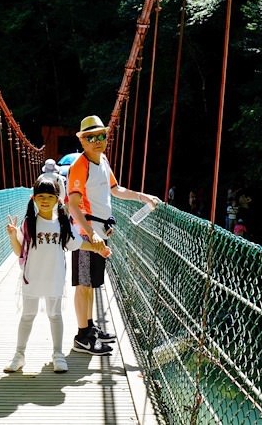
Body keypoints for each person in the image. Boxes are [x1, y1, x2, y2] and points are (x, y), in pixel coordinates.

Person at [67, 115, 161, 355]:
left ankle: (89, 328)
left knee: (92, 284)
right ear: (83, 141)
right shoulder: (80, 165)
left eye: (101, 136)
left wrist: (143, 196)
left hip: (100, 232)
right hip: (88, 235)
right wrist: (90, 234)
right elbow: (73, 205)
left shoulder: (103, 160)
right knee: (84, 284)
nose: (97, 140)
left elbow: (115, 189)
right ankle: (82, 336)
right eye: (91, 137)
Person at [4, 177, 112, 373]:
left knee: (55, 315)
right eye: (41, 197)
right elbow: (20, 251)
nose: (45, 200)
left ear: (57, 200)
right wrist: (13, 236)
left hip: (54, 278)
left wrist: (98, 250)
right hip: (32, 278)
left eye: (50, 197)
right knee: (28, 315)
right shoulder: (29, 224)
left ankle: (58, 355)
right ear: (34, 199)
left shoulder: (63, 224)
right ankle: (19, 355)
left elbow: (77, 244)